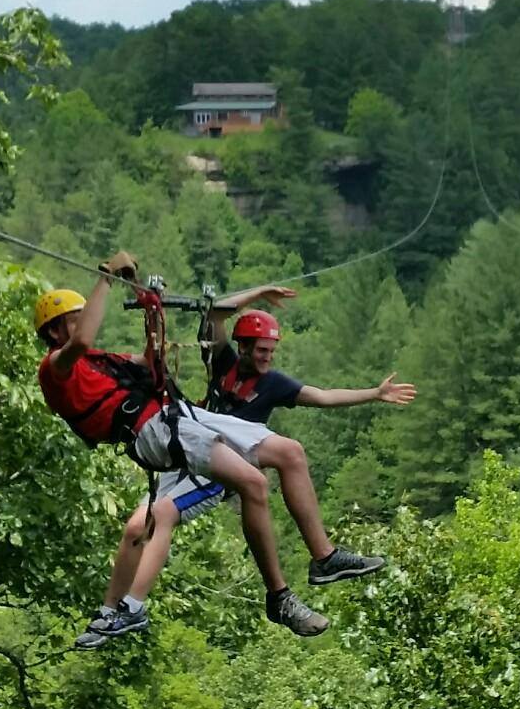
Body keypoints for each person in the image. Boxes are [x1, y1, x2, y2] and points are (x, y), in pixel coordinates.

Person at [34, 256, 385, 650]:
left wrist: (151, 319)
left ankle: (321, 558)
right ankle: (270, 596)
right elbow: (82, 340)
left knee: (287, 453)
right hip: (160, 427)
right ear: (53, 331)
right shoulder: (56, 367)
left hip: (176, 419)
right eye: (73, 319)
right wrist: (106, 278)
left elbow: (150, 368)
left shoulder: (102, 362)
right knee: (240, 486)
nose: (82, 325)